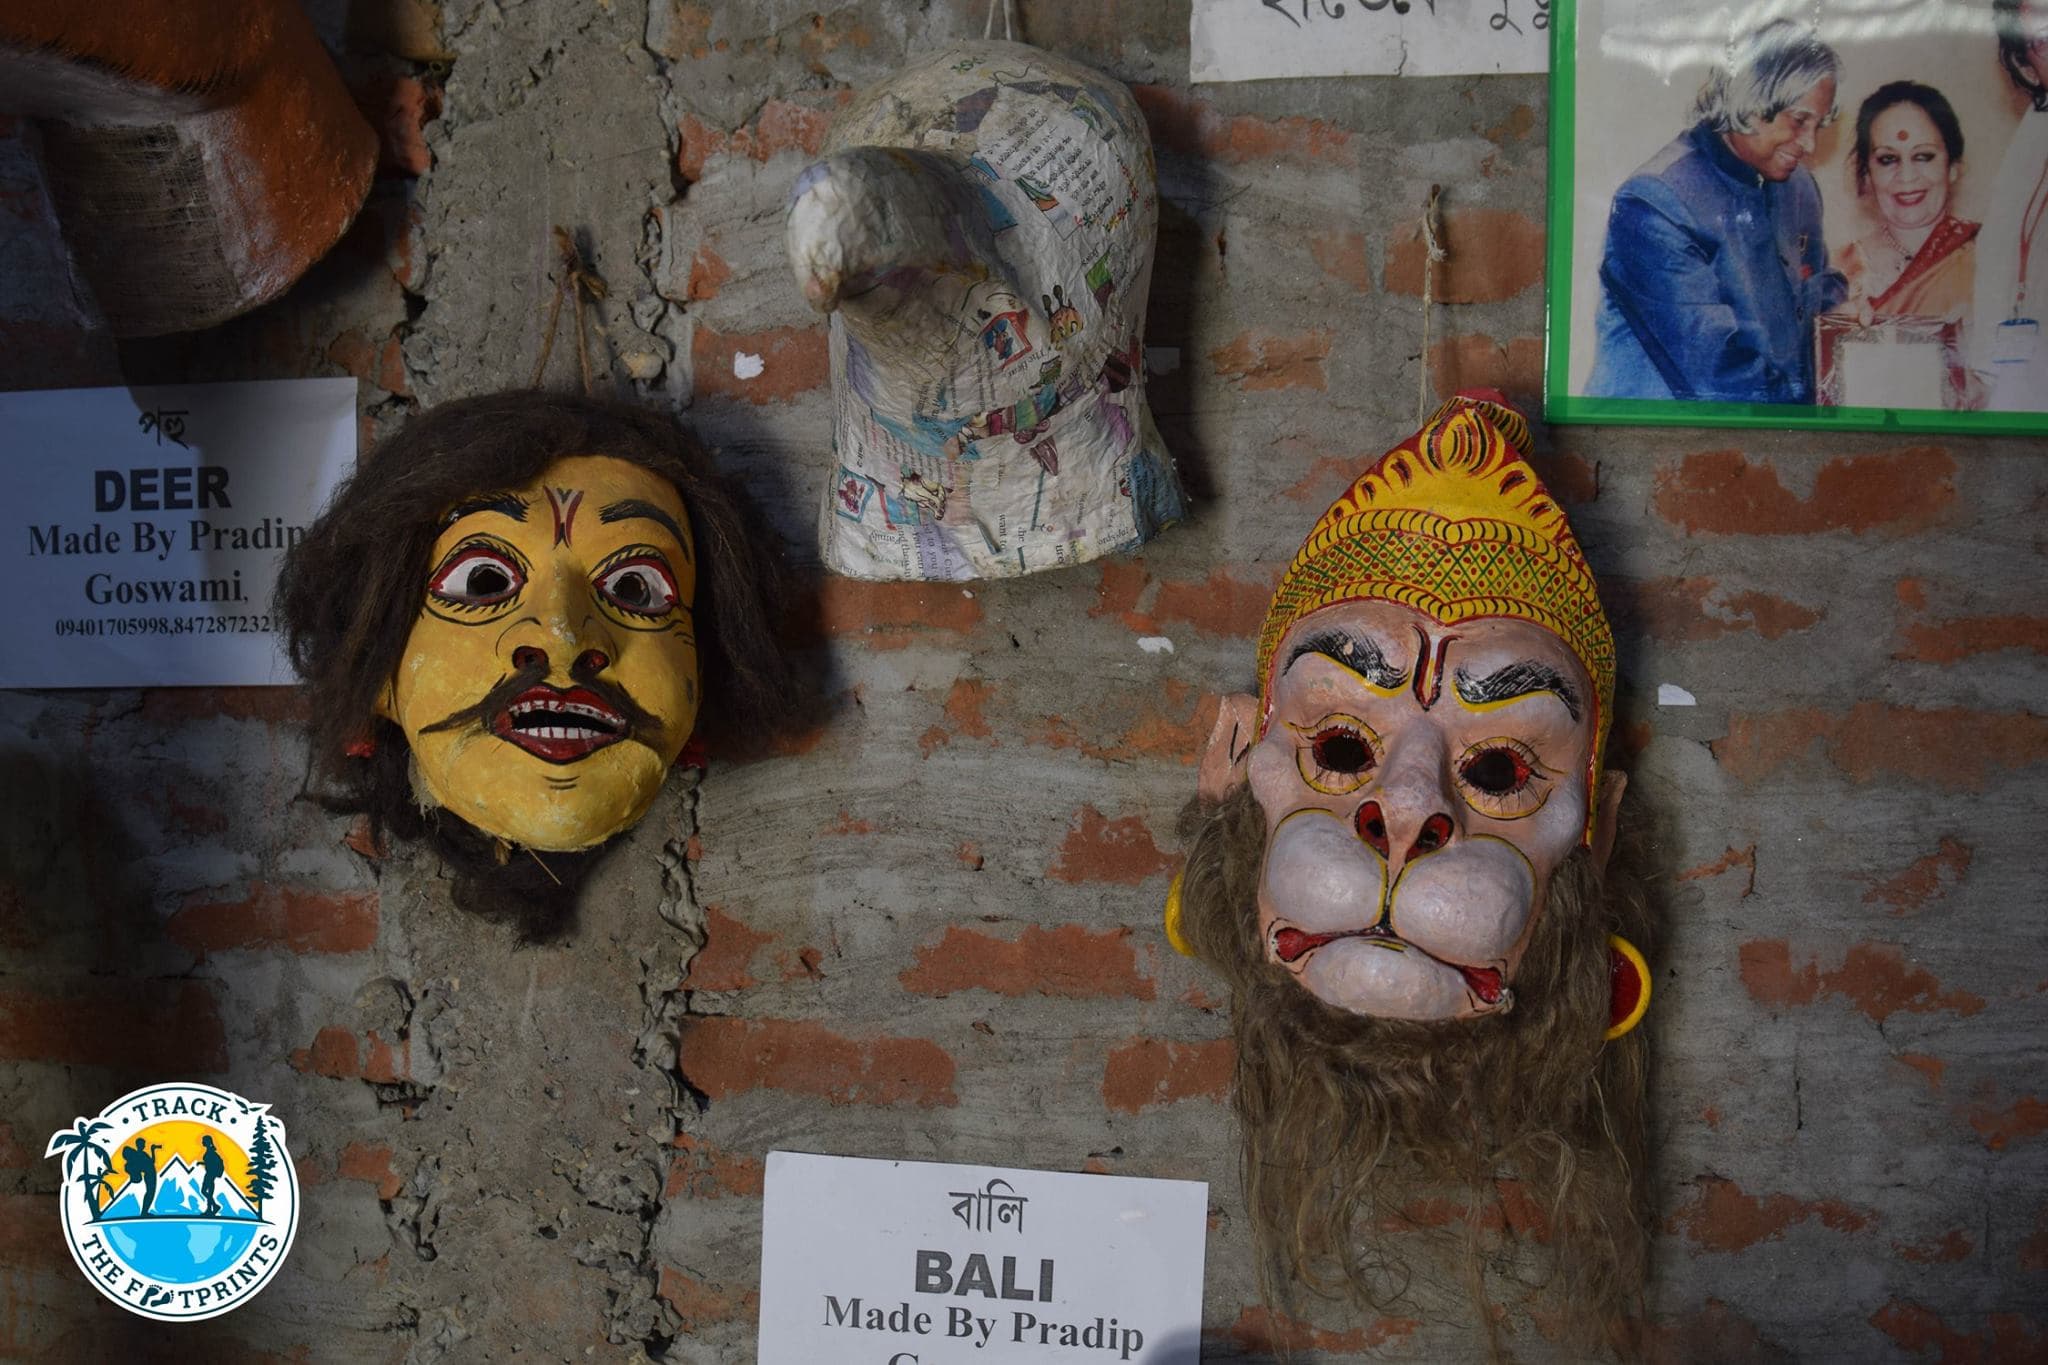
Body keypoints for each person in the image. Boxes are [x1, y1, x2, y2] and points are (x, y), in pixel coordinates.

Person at [1586, 20, 1848, 403]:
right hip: (1663, 439)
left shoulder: (1800, 188)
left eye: (1819, 124)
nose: (1809, 143)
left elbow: (1808, 309)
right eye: (1798, 120)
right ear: (1750, 100)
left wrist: (1851, 305)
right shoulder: (1654, 202)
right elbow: (1717, 377)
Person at [1837, 82, 1978, 320]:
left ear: (1953, 167)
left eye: (1923, 156)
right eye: (1888, 159)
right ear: (1867, 175)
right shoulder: (1841, 272)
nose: (1907, 176)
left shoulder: (1990, 257)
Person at [1966, 0, 2048, 408]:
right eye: (2044, 40)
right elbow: (2000, 263)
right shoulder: (2035, 132)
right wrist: (1984, 372)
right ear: (2027, 64)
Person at [199, 1135, 226, 1216]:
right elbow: (209, 1162)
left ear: (207, 1142)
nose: (202, 1142)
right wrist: (202, 1163)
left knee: (204, 1191)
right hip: (210, 1174)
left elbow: (212, 1163)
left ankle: (212, 1207)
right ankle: (212, 1208)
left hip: (210, 1174)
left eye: (203, 1140)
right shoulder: (210, 1151)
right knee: (208, 1192)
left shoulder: (210, 1152)